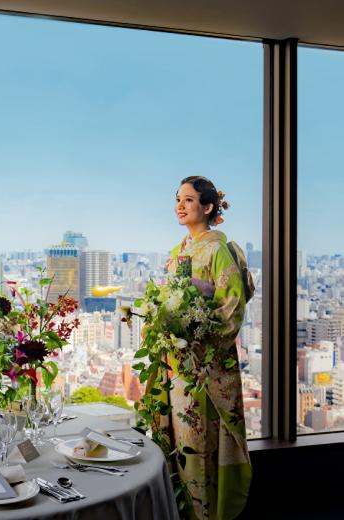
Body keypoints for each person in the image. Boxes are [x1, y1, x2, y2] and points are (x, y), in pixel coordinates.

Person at [165, 176, 252, 520]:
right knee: (181, 442)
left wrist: (199, 335)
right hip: (179, 360)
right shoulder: (178, 251)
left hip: (205, 362)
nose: (180, 207)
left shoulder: (218, 249)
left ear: (208, 207)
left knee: (203, 444)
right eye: (178, 200)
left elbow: (232, 306)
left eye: (188, 200)